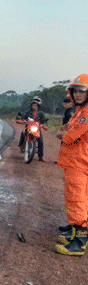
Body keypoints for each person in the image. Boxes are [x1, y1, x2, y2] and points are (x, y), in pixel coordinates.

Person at [55, 74, 88, 255]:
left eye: (82, 91)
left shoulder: (86, 114)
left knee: (76, 200)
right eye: (75, 91)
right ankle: (75, 234)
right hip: (76, 161)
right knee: (77, 198)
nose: (77, 94)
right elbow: (70, 127)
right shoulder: (79, 112)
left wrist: (62, 135)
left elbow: (70, 136)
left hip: (79, 162)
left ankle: (79, 243)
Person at [17, 97, 48, 161]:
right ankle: (21, 146)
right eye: (33, 105)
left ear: (38, 106)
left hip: (37, 129)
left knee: (41, 141)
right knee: (23, 133)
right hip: (28, 127)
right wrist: (22, 120)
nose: (33, 106)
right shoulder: (28, 112)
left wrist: (44, 125)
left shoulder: (41, 113)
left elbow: (44, 121)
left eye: (35, 105)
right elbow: (23, 117)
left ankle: (41, 156)